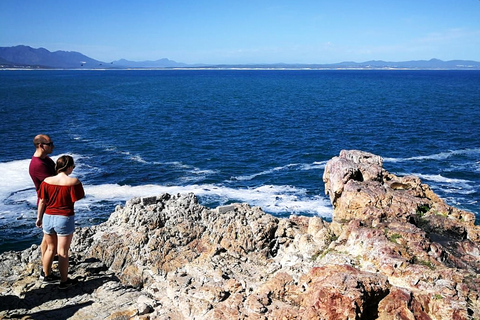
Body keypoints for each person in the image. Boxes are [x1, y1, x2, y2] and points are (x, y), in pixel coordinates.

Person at [36, 155, 85, 289]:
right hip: (64, 218)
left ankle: (47, 275)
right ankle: (64, 282)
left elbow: (42, 201)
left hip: (47, 216)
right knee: (62, 252)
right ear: (69, 167)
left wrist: (39, 218)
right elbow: (77, 197)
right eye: (72, 167)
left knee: (50, 248)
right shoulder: (73, 182)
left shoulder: (46, 181)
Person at [28, 134, 56, 278]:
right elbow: (52, 184)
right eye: (50, 144)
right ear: (41, 145)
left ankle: (46, 264)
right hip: (48, 204)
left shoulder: (45, 160)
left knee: (47, 237)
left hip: (49, 203)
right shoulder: (38, 165)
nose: (53, 146)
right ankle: (46, 273)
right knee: (49, 238)